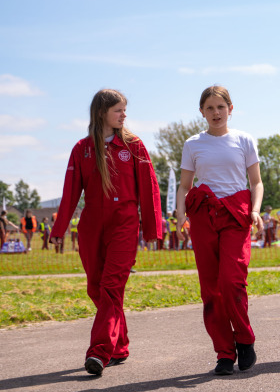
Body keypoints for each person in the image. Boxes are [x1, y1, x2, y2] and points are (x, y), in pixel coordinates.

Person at [50, 89, 162, 375]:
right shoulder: (81, 148)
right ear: (102, 113)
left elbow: (149, 188)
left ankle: (99, 352)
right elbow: (70, 192)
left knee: (111, 287)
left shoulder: (134, 146)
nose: (124, 115)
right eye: (118, 110)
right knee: (96, 287)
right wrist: (59, 228)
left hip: (124, 224)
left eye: (124, 110)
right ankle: (119, 344)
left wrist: (153, 228)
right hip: (90, 227)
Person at [176, 85, 263, 376]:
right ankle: (224, 352)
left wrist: (255, 209)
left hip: (236, 215)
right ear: (202, 112)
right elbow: (185, 186)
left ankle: (244, 338)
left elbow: (256, 182)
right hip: (203, 215)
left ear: (230, 109)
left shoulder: (244, 140)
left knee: (231, 281)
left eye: (220, 107)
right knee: (211, 289)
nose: (216, 113)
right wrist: (180, 215)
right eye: (210, 108)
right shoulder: (193, 144)